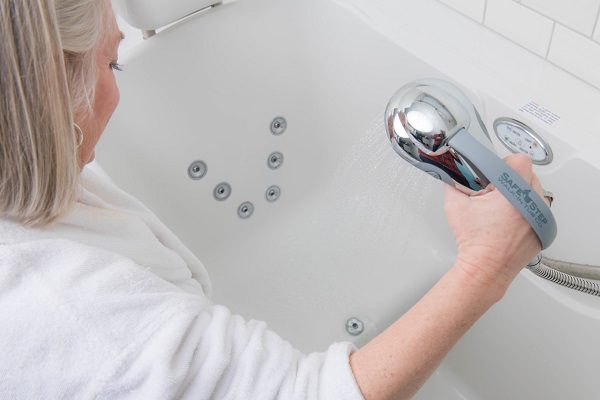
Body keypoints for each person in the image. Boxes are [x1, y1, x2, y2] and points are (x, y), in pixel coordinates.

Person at [0, 1, 548, 399]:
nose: (118, 94)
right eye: (109, 64)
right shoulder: (79, 321)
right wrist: (484, 267)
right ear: (43, 88)